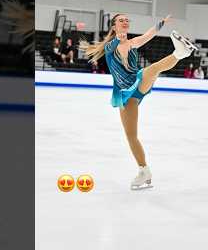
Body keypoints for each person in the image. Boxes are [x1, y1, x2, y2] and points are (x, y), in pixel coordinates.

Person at [80, 13, 197, 190]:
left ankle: (180, 53)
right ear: (114, 26)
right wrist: (118, 38)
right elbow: (114, 45)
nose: (125, 22)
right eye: (121, 20)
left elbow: (148, 35)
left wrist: (162, 23)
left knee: (152, 69)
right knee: (131, 136)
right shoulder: (111, 47)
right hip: (126, 96)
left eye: (127, 20)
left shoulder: (132, 43)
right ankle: (144, 171)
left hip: (138, 82)